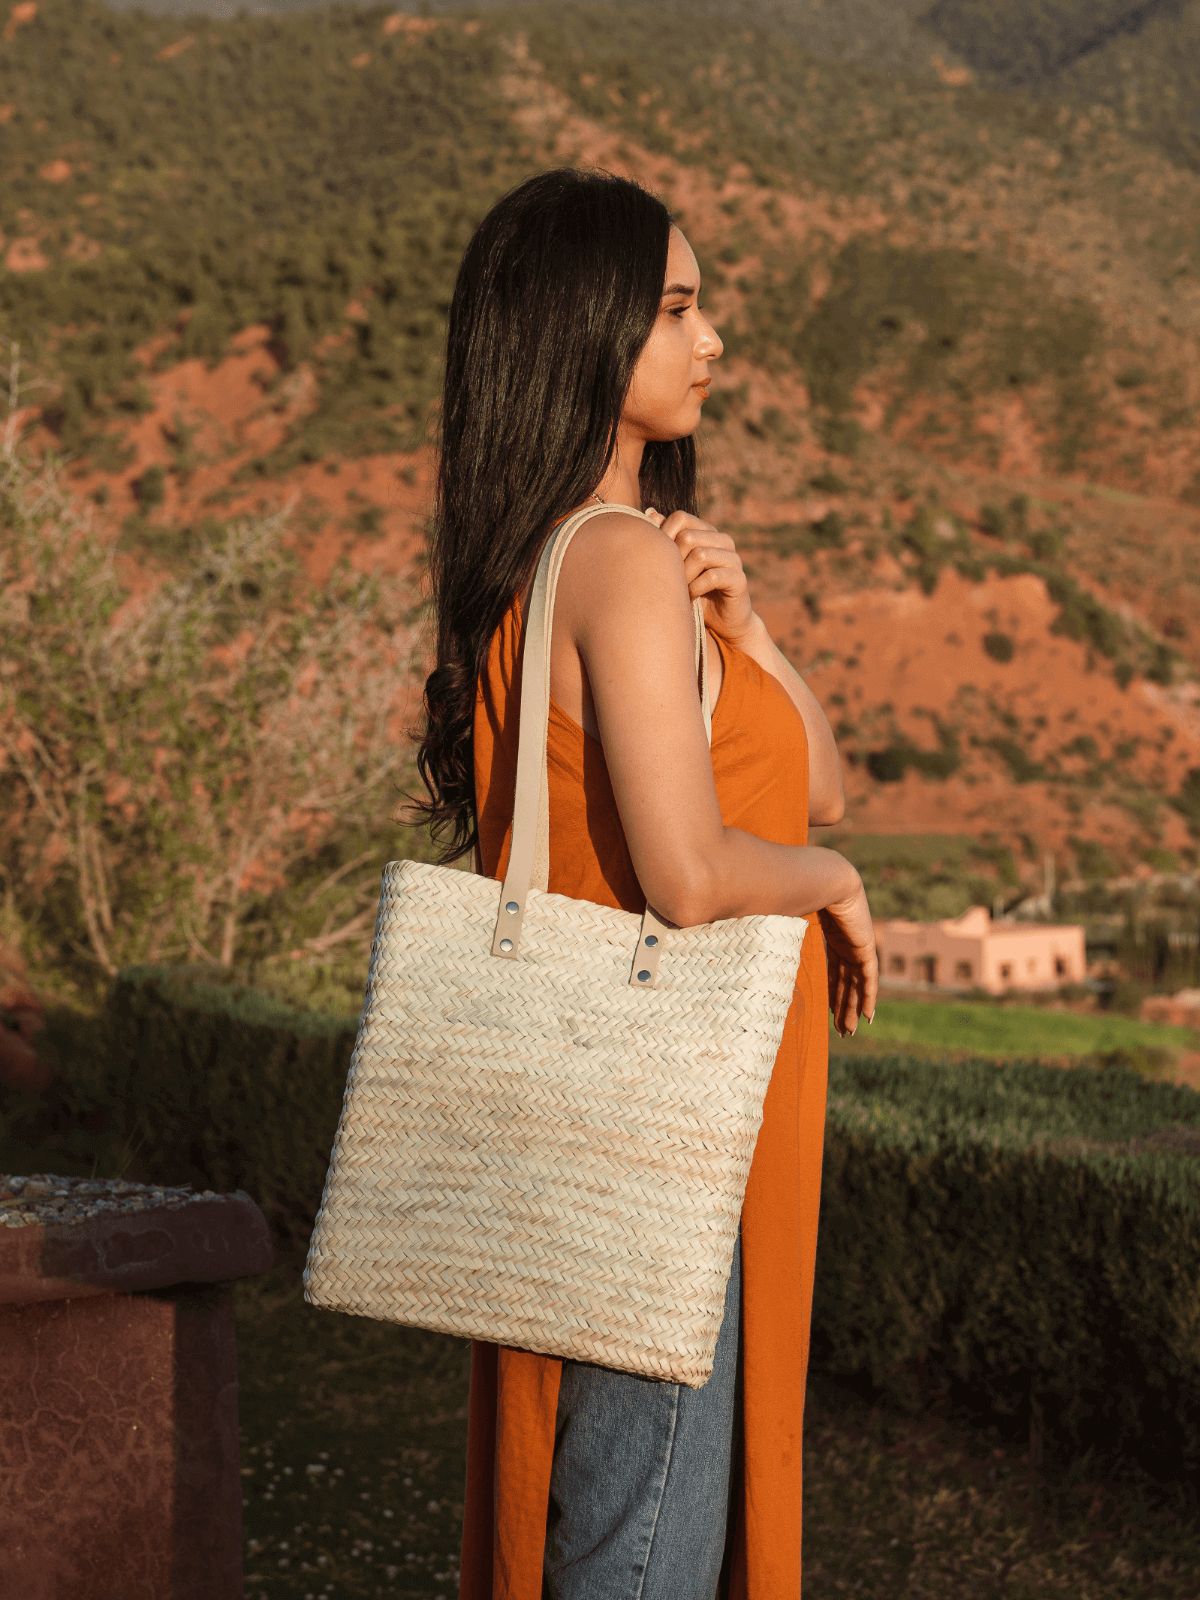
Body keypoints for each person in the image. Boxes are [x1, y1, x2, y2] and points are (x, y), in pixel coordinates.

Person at [415, 167, 878, 1600]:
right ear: (582, 334)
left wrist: (748, 630)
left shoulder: (596, 559)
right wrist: (835, 883)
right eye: (676, 307)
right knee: (644, 1541)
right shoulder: (613, 559)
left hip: (618, 1105)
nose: (713, 338)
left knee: (622, 1509)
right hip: (659, 1122)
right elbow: (690, 874)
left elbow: (814, 782)